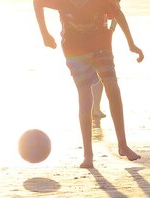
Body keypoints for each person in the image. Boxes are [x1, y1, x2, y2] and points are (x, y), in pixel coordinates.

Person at [34, 0, 143, 168]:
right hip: (74, 47)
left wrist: (131, 44)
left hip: (100, 43)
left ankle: (123, 145)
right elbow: (37, 2)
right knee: (85, 97)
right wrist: (44, 33)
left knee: (112, 88)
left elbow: (118, 14)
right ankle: (88, 155)